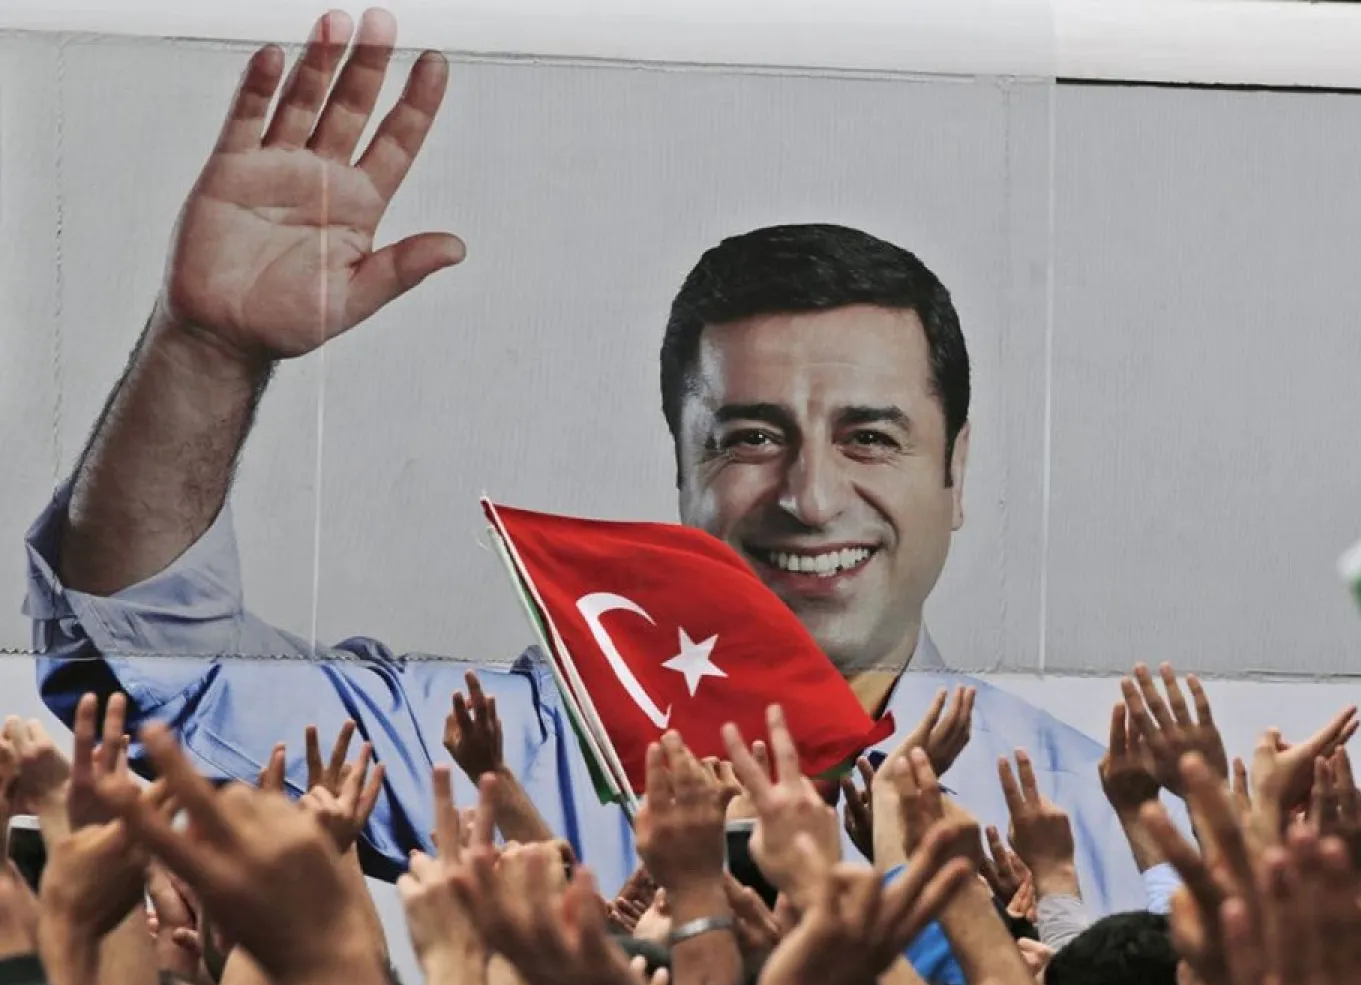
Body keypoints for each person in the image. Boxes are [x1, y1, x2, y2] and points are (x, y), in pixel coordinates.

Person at [22, 7, 1142, 906]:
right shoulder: (503, 751)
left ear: (958, 475)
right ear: (681, 470)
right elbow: (156, 685)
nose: (808, 496)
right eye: (751, 438)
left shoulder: (1120, 812)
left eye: (870, 438)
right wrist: (206, 352)